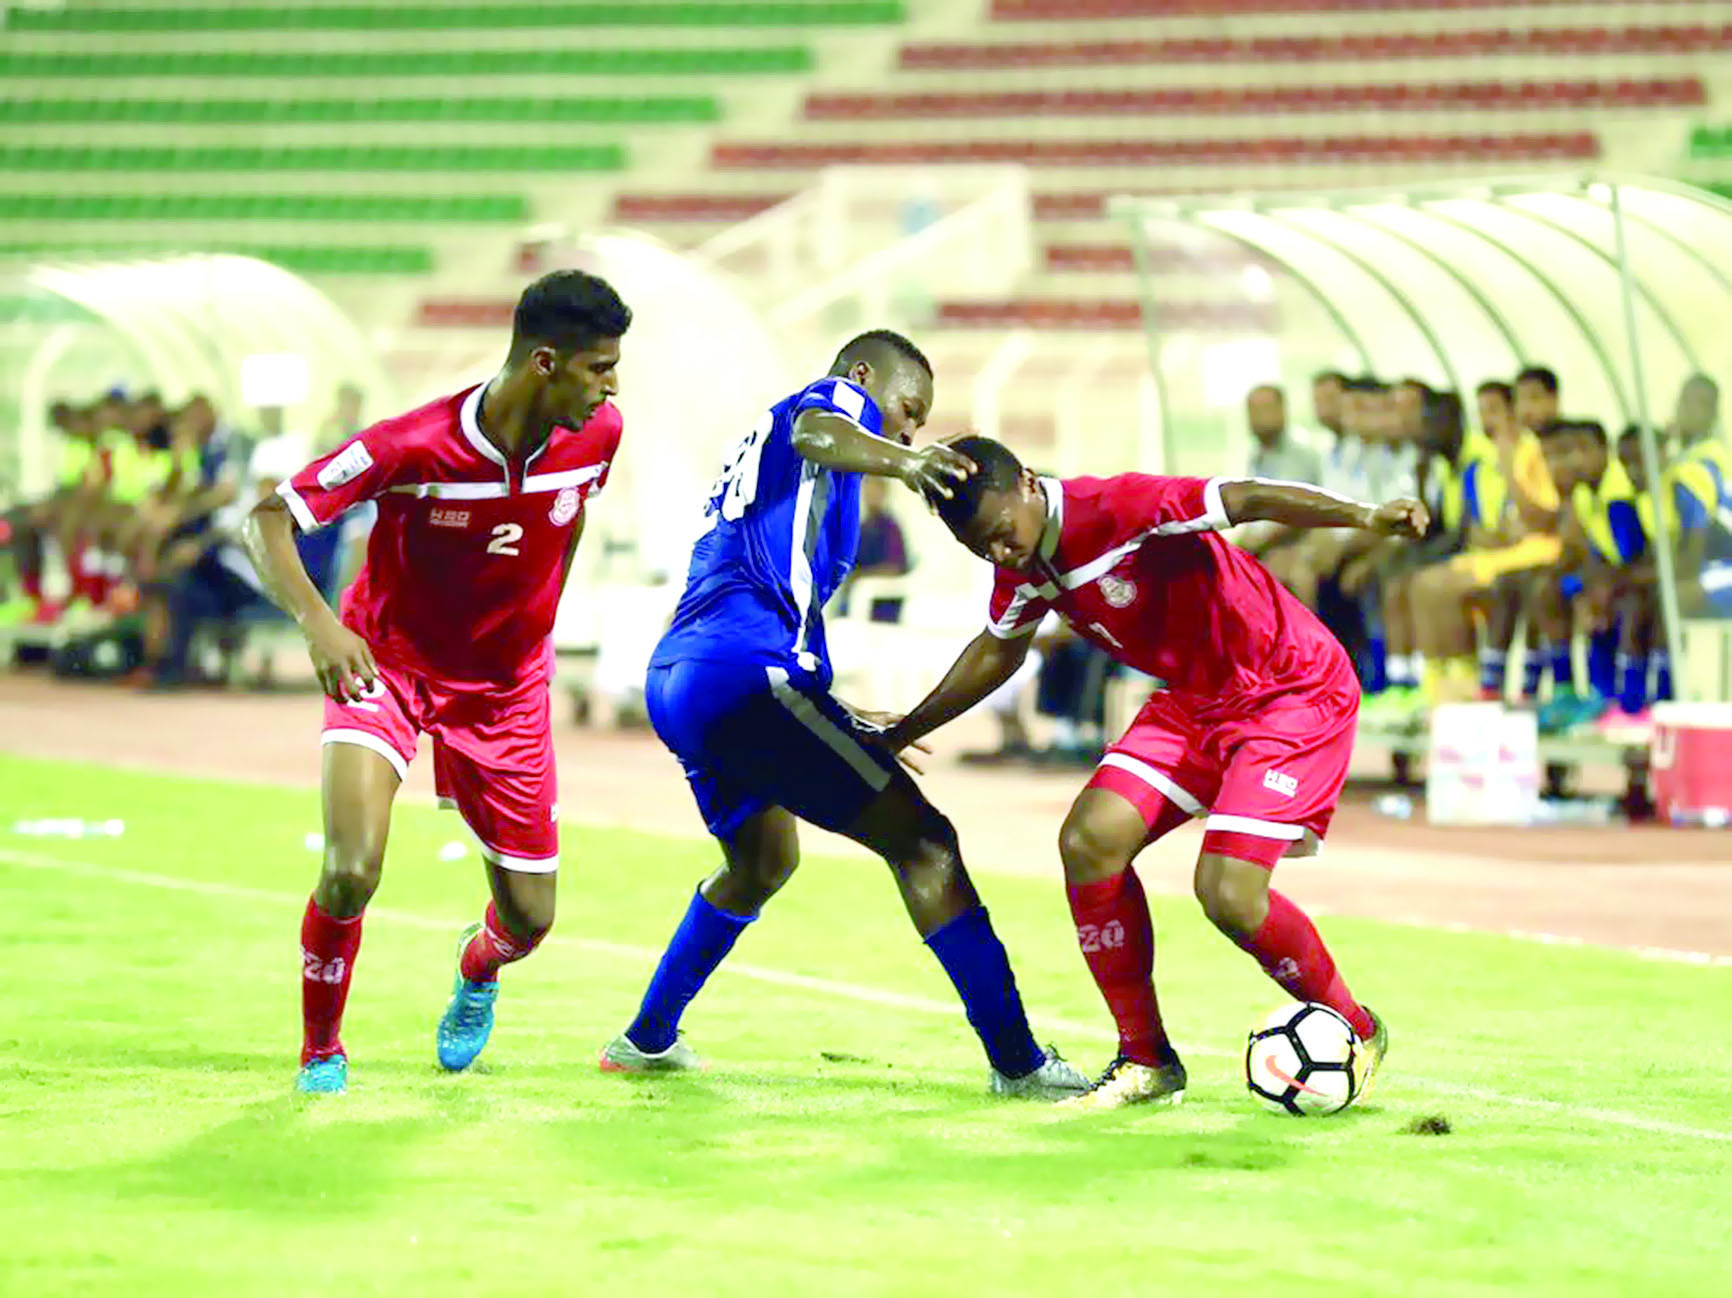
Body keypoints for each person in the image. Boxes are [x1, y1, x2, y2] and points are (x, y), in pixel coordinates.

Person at [600, 331, 1088, 1099]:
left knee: (761, 864)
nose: (909, 433)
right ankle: (1020, 1063)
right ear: (863, 376)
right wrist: (907, 463)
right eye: (908, 411)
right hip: (744, 674)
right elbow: (819, 428)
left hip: (685, 675)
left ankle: (646, 1038)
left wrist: (820, 704)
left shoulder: (784, 464)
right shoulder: (830, 406)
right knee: (925, 843)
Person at [881, 436, 1426, 1111]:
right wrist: (905, 729)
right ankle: (1146, 1058)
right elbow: (997, 652)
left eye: (999, 531)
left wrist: (1364, 515)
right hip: (1195, 701)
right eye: (978, 547)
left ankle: (1358, 1029)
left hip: (1289, 689)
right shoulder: (1021, 565)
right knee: (1090, 840)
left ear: (1027, 481)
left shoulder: (1121, 507)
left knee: (1228, 894)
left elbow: (1247, 497)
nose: (998, 552)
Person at [241, 270, 632, 1095]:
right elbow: (267, 519)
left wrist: (538, 620)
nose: (611, 387)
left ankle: (477, 966)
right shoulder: (412, 445)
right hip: (388, 665)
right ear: (545, 362)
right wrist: (321, 625)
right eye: (600, 368)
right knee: (351, 868)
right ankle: (321, 1052)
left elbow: (569, 515)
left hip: (505, 688)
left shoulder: (599, 436)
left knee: (530, 920)